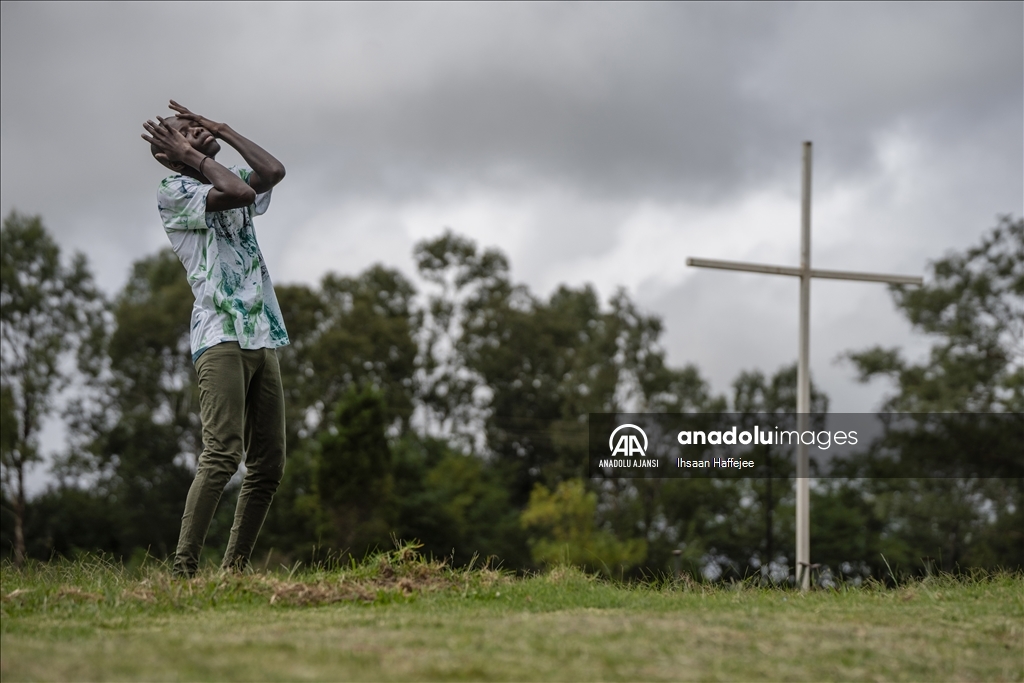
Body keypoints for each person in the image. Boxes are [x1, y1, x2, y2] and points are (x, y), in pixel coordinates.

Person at [141, 101, 289, 577]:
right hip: (220, 334)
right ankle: (183, 570)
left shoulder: (230, 174)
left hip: (260, 332)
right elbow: (240, 193)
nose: (197, 132)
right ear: (170, 153)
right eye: (186, 132)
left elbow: (273, 171)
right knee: (223, 454)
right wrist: (190, 152)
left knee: (269, 464)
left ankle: (234, 571)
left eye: (197, 126)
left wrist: (222, 127)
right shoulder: (175, 189)